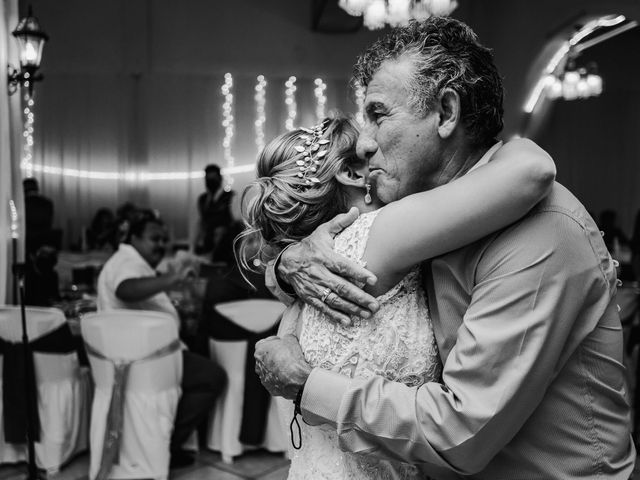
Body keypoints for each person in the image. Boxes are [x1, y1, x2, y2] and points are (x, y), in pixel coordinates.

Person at [254, 17, 636, 479]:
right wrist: (288, 261)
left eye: (378, 114)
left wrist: (307, 386)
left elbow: (461, 433)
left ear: (447, 112)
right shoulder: (424, 218)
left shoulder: (541, 231)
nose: (367, 144)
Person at [240, 110, 556, 479]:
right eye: (367, 142)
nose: (375, 144)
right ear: (354, 174)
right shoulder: (378, 235)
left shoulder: (320, 261)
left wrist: (281, 264)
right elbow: (533, 170)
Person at [96, 209, 226, 468]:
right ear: (133, 238)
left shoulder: (130, 261)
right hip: (145, 360)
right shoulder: (128, 263)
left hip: (136, 356)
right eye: (154, 239)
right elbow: (126, 289)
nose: (161, 245)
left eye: (163, 240)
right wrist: (173, 278)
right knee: (211, 377)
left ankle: (158, 442)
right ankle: (164, 444)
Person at [193, 164, 234, 259]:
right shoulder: (202, 199)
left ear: (220, 178)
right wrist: (193, 247)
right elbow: (200, 223)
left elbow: (237, 223)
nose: (210, 182)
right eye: (208, 179)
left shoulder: (231, 197)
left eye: (213, 178)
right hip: (207, 246)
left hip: (226, 249)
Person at [23, 177, 56, 254]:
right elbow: (49, 222)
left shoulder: (23, 204)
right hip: (45, 241)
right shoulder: (48, 203)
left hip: (27, 242)